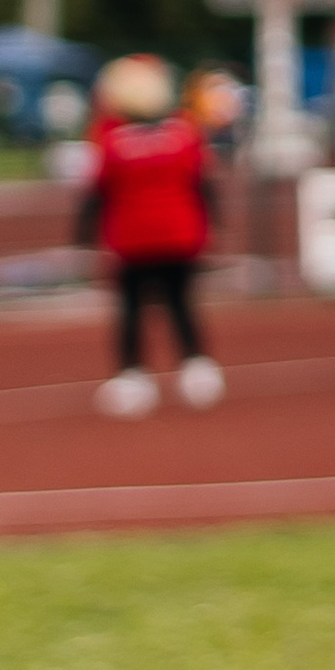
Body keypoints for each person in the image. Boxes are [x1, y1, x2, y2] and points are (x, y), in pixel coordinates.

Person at [80, 54, 223, 419]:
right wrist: (214, 226)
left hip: (131, 239)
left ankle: (132, 376)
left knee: (130, 308)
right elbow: (202, 185)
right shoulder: (183, 133)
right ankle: (197, 369)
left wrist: (82, 237)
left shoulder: (111, 139)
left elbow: (97, 192)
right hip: (180, 234)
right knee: (181, 303)